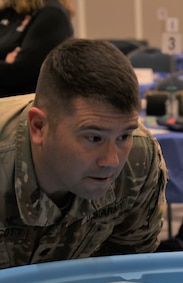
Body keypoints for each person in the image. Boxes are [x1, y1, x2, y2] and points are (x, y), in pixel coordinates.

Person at [0, 38, 168, 268]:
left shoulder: (139, 158)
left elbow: (129, 266)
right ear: (39, 126)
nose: (112, 160)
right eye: (94, 138)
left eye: (123, 137)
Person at [0, 0, 73, 97]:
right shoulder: (8, 11)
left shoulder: (51, 14)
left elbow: (21, 72)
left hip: (20, 103)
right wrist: (5, 64)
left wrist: (8, 67)